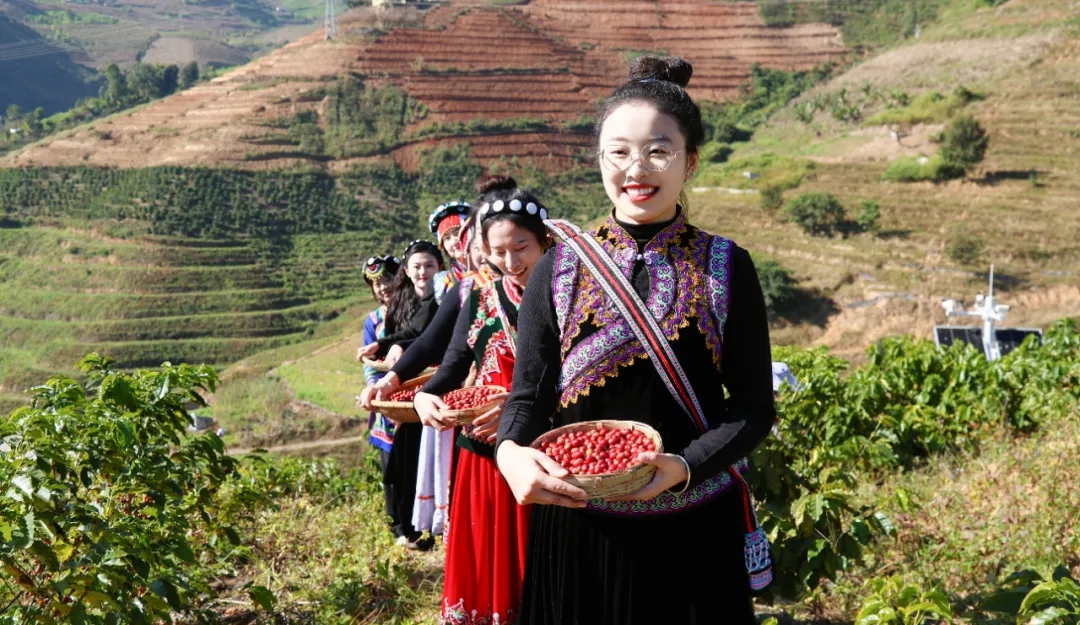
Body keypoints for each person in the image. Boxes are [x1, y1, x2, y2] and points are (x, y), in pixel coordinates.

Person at [494, 56, 777, 625]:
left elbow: (752, 408)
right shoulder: (558, 267)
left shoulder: (726, 266)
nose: (636, 168)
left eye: (658, 150)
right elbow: (528, 395)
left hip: (692, 525)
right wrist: (509, 455)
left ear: (689, 161)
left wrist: (684, 465)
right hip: (578, 523)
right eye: (618, 152)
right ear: (600, 159)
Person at [413, 175, 552, 625]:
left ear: (544, 241)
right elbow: (453, 363)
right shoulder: (479, 295)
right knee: (488, 568)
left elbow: (579, 377)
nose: (509, 262)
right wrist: (422, 399)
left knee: (539, 568)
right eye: (497, 252)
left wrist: (517, 408)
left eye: (521, 247)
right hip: (481, 458)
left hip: (542, 450)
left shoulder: (570, 297)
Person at [381, 239, 445, 550]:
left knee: (430, 459)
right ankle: (407, 527)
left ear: (440, 268)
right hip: (405, 390)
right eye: (417, 266)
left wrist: (390, 345)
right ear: (407, 270)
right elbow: (406, 336)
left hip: (435, 387)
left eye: (429, 265)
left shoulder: (444, 298)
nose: (423, 272)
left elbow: (421, 338)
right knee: (404, 461)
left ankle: (431, 528)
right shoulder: (401, 303)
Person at [359, 253, 401, 533]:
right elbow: (369, 366)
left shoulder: (414, 311)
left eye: (387, 279)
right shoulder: (372, 321)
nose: (382, 287)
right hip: (386, 402)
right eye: (376, 283)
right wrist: (376, 388)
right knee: (390, 471)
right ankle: (395, 525)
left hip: (411, 394)